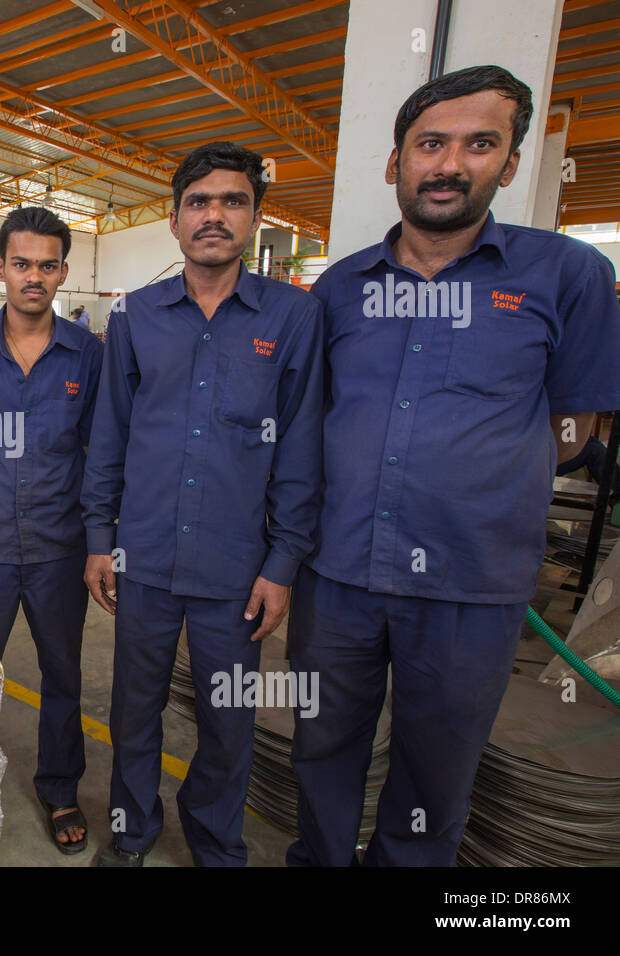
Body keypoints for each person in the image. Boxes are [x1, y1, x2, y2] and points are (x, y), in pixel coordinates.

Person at [287, 65, 620, 867]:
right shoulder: (340, 289)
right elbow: (312, 423)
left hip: (473, 583)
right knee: (322, 746)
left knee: (437, 773)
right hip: (340, 575)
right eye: (430, 143)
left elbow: (576, 427)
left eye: (480, 144)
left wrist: (473, 479)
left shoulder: (567, 275)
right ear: (396, 160)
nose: (450, 164)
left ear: (508, 164)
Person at [82, 141, 324, 866]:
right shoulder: (134, 316)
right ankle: (132, 831)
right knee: (135, 711)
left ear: (255, 217)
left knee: (227, 720)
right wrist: (101, 536)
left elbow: (302, 447)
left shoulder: (292, 317)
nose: (213, 215)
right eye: (199, 202)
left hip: (236, 567)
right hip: (145, 557)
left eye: (232, 201)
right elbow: (110, 433)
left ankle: (217, 845)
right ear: (174, 219)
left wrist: (283, 562)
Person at [0, 206, 103, 854]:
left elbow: (97, 451)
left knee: (63, 673)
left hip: (58, 547)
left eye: (47, 265)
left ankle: (59, 787)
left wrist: (97, 542)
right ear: (1, 266)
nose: (33, 276)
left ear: (63, 271)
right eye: (21, 263)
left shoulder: (88, 355)